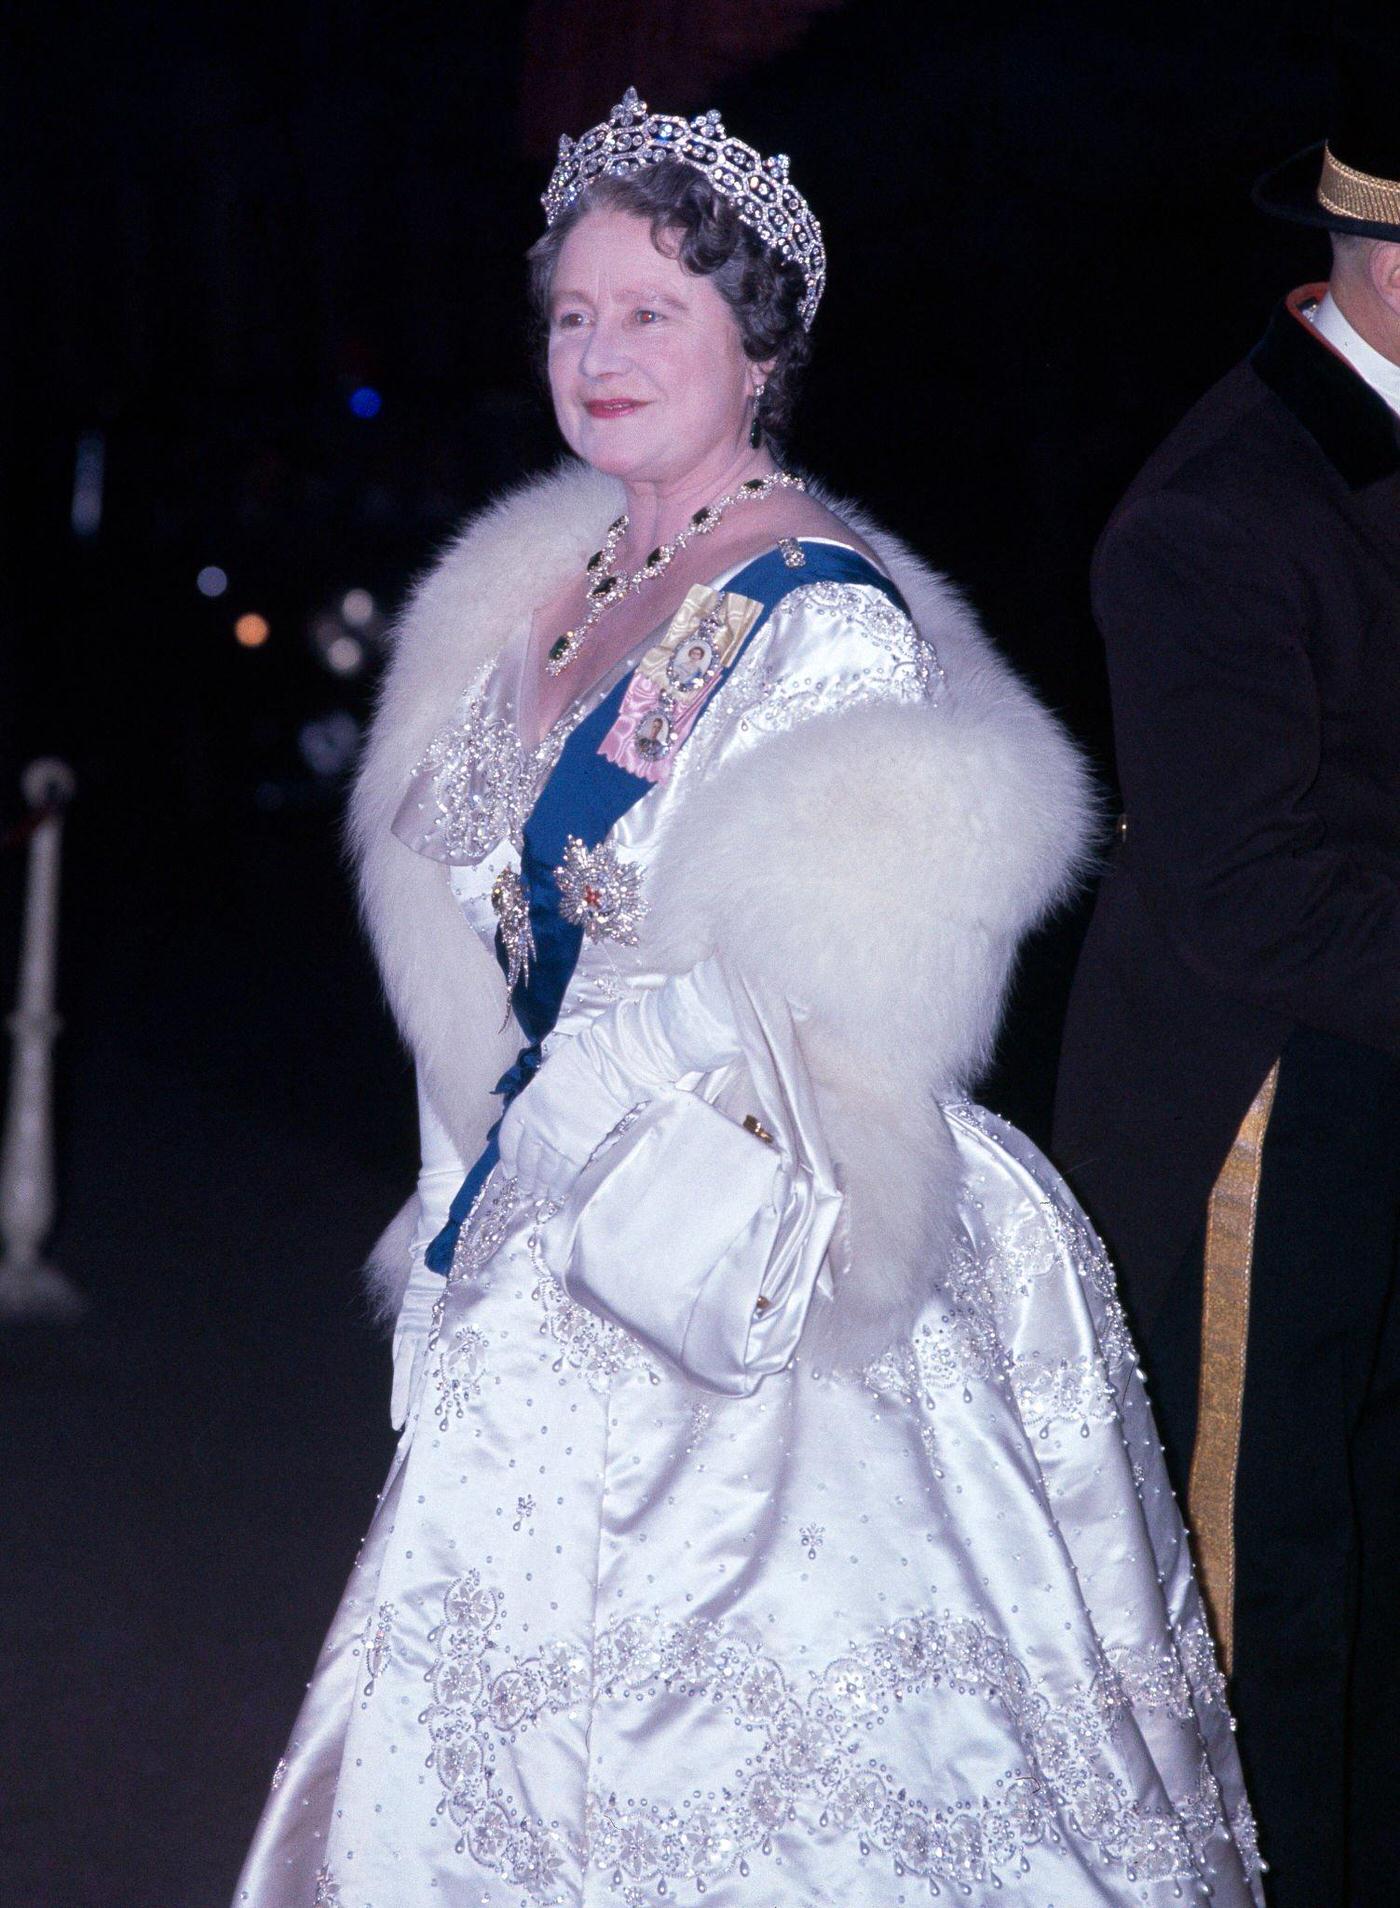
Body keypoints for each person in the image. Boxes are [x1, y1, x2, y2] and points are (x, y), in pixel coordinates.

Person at [234, 88, 1261, 1907]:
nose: (602, 353)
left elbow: (782, 1013)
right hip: (544, 1265)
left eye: (657, 315)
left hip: (753, 1266)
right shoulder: (554, 586)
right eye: (575, 314)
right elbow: (477, 927)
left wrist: (539, 1159)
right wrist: (473, 1200)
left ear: (760, 347)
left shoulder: (820, 617)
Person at [1052, 16, 1400, 1906]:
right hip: (1261, 1117)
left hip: (1383, 1073)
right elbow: (1250, 888)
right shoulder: (1217, 510)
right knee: (1269, 1604)